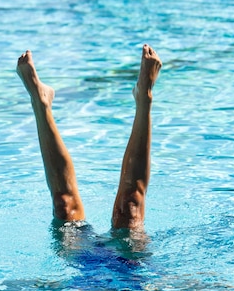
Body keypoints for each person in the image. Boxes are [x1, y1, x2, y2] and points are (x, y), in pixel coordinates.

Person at [16, 44, 162, 230]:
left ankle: (145, 95)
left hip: (87, 259)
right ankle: (41, 100)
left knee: (129, 206)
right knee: (65, 205)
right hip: (120, 259)